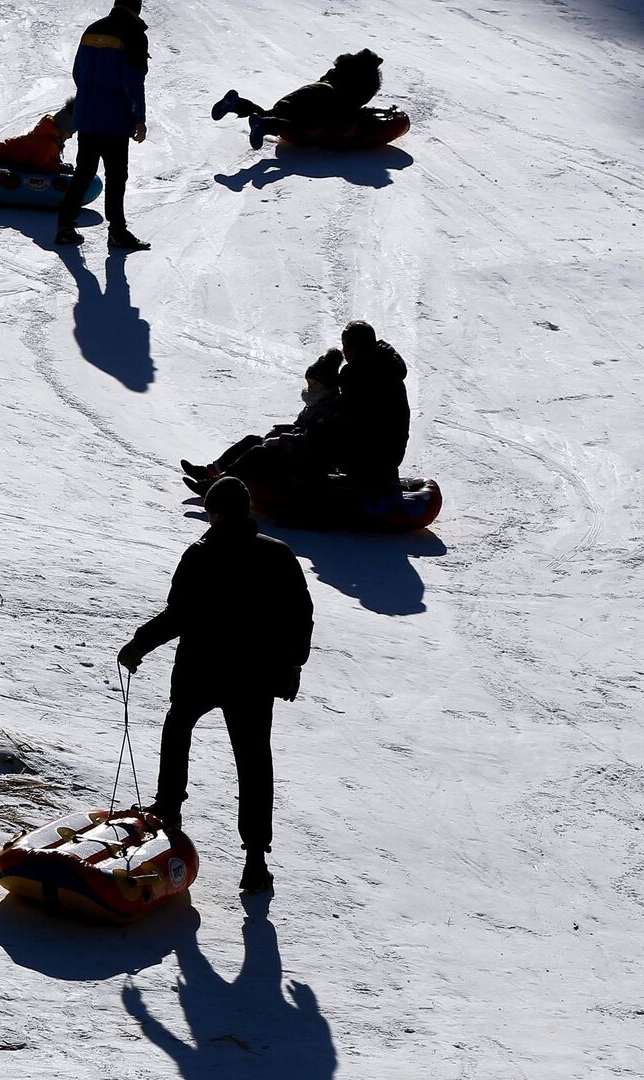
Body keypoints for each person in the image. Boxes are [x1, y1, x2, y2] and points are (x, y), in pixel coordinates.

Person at [117, 477, 313, 893]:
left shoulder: (201, 555)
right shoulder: (278, 555)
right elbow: (299, 616)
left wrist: (138, 645)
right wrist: (291, 666)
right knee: (254, 761)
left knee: (178, 727)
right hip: (254, 677)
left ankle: (169, 808)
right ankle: (255, 860)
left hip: (202, 669)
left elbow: (179, 615)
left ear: (216, 512)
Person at [183, 349, 348, 496]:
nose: (310, 388)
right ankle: (210, 472)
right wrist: (278, 432)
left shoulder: (329, 410)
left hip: (308, 465)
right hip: (296, 455)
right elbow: (298, 427)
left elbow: (311, 441)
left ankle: (216, 487)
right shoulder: (316, 405)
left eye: (315, 384)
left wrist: (279, 440)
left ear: (328, 386)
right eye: (309, 383)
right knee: (253, 439)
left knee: (258, 452)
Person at [56, 0, 149, 250]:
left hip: (87, 115)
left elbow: (78, 73)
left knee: (84, 172)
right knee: (116, 176)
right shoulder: (132, 34)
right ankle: (117, 232)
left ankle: (65, 226)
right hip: (115, 119)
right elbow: (133, 81)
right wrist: (139, 118)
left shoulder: (92, 30)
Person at [212, 50, 385, 150]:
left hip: (301, 95)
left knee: (271, 112)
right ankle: (265, 125)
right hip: (319, 103)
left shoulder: (332, 76)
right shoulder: (349, 91)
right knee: (302, 126)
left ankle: (236, 104)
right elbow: (347, 110)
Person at [334, 319, 410, 492]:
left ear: (352, 350)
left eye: (345, 347)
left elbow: (348, 417)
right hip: (389, 456)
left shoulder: (359, 376)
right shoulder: (388, 368)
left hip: (371, 458)